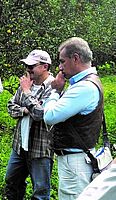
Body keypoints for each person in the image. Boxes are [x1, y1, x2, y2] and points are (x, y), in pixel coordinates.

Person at [43, 37, 104, 199]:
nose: (60, 67)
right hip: (78, 158)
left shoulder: (84, 87)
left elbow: (50, 116)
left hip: (75, 162)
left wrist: (55, 91)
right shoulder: (89, 82)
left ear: (75, 58)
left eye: (63, 61)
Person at [5, 50, 55, 200]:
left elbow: (40, 115)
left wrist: (26, 92)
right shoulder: (26, 83)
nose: (28, 69)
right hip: (20, 145)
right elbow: (11, 106)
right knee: (12, 182)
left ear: (45, 66)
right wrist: (26, 109)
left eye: (32, 65)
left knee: (40, 191)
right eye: (26, 65)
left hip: (40, 148)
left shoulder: (53, 88)